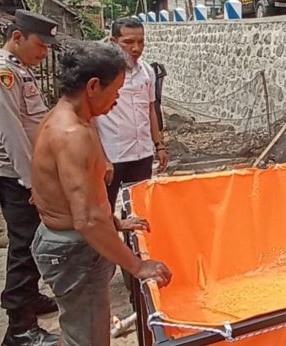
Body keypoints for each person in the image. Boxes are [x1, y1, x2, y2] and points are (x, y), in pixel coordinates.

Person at [30, 41, 172, 346]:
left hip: (66, 240)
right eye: (116, 90)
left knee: (85, 329)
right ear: (93, 86)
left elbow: (70, 195)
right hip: (73, 249)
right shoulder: (72, 134)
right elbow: (87, 220)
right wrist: (137, 266)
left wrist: (116, 223)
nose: (118, 99)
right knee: (88, 338)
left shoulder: (71, 117)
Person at [0, 10, 60, 346]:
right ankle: (19, 329)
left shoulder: (19, 69)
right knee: (24, 249)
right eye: (40, 44)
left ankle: (31, 299)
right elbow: (11, 134)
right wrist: (33, 183)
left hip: (28, 173)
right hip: (15, 176)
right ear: (17, 37)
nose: (44, 52)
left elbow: (34, 119)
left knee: (34, 243)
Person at [95, 18, 168, 209]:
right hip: (112, 156)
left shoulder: (146, 72)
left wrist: (158, 145)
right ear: (113, 42)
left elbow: (151, 109)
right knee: (106, 210)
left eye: (141, 41)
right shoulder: (101, 74)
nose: (136, 48)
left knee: (141, 208)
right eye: (128, 42)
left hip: (142, 154)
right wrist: (100, 157)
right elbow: (88, 118)